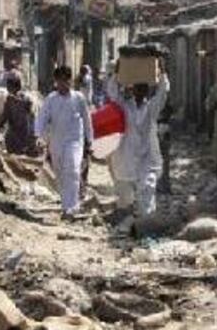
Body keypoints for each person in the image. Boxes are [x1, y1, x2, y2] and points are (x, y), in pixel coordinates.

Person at [107, 59, 170, 230]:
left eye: (143, 88)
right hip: (126, 157)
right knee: (126, 198)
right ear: (132, 89)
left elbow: (163, 93)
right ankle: (129, 225)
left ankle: (146, 229)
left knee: (147, 193)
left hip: (147, 158)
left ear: (147, 90)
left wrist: (162, 73)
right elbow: (113, 92)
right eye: (137, 88)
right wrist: (117, 73)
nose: (140, 92)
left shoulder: (151, 108)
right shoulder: (123, 107)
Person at [35, 66, 94, 219]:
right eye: (60, 81)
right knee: (60, 173)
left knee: (73, 170)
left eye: (66, 81)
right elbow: (42, 118)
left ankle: (72, 207)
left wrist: (90, 140)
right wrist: (38, 136)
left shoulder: (78, 98)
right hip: (56, 142)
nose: (63, 84)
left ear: (70, 81)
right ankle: (65, 203)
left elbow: (87, 120)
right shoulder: (51, 99)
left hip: (75, 141)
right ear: (56, 82)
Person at [0, 72, 37, 156]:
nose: (7, 88)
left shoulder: (27, 99)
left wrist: (33, 136)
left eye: (9, 85)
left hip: (24, 133)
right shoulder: (9, 100)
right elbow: (5, 116)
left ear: (15, 86)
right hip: (14, 135)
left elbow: (32, 116)